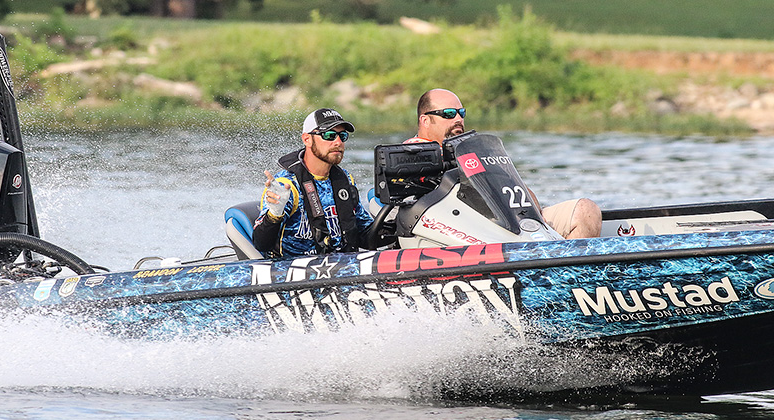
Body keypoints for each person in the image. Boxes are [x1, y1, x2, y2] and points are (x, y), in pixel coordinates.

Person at [406, 88, 602, 239]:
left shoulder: (471, 151)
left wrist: (533, 215)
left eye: (461, 113)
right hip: (472, 231)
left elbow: (519, 193)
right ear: (425, 120)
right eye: (449, 113)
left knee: (586, 211)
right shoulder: (412, 154)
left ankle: (566, 273)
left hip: (514, 224)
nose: (458, 119)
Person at [252, 108, 393, 257]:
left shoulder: (345, 179)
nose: (338, 142)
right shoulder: (286, 185)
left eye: (342, 136)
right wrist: (274, 215)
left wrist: (402, 224)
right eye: (329, 135)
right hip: (293, 268)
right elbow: (261, 244)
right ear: (307, 139)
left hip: (342, 265)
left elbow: (365, 234)